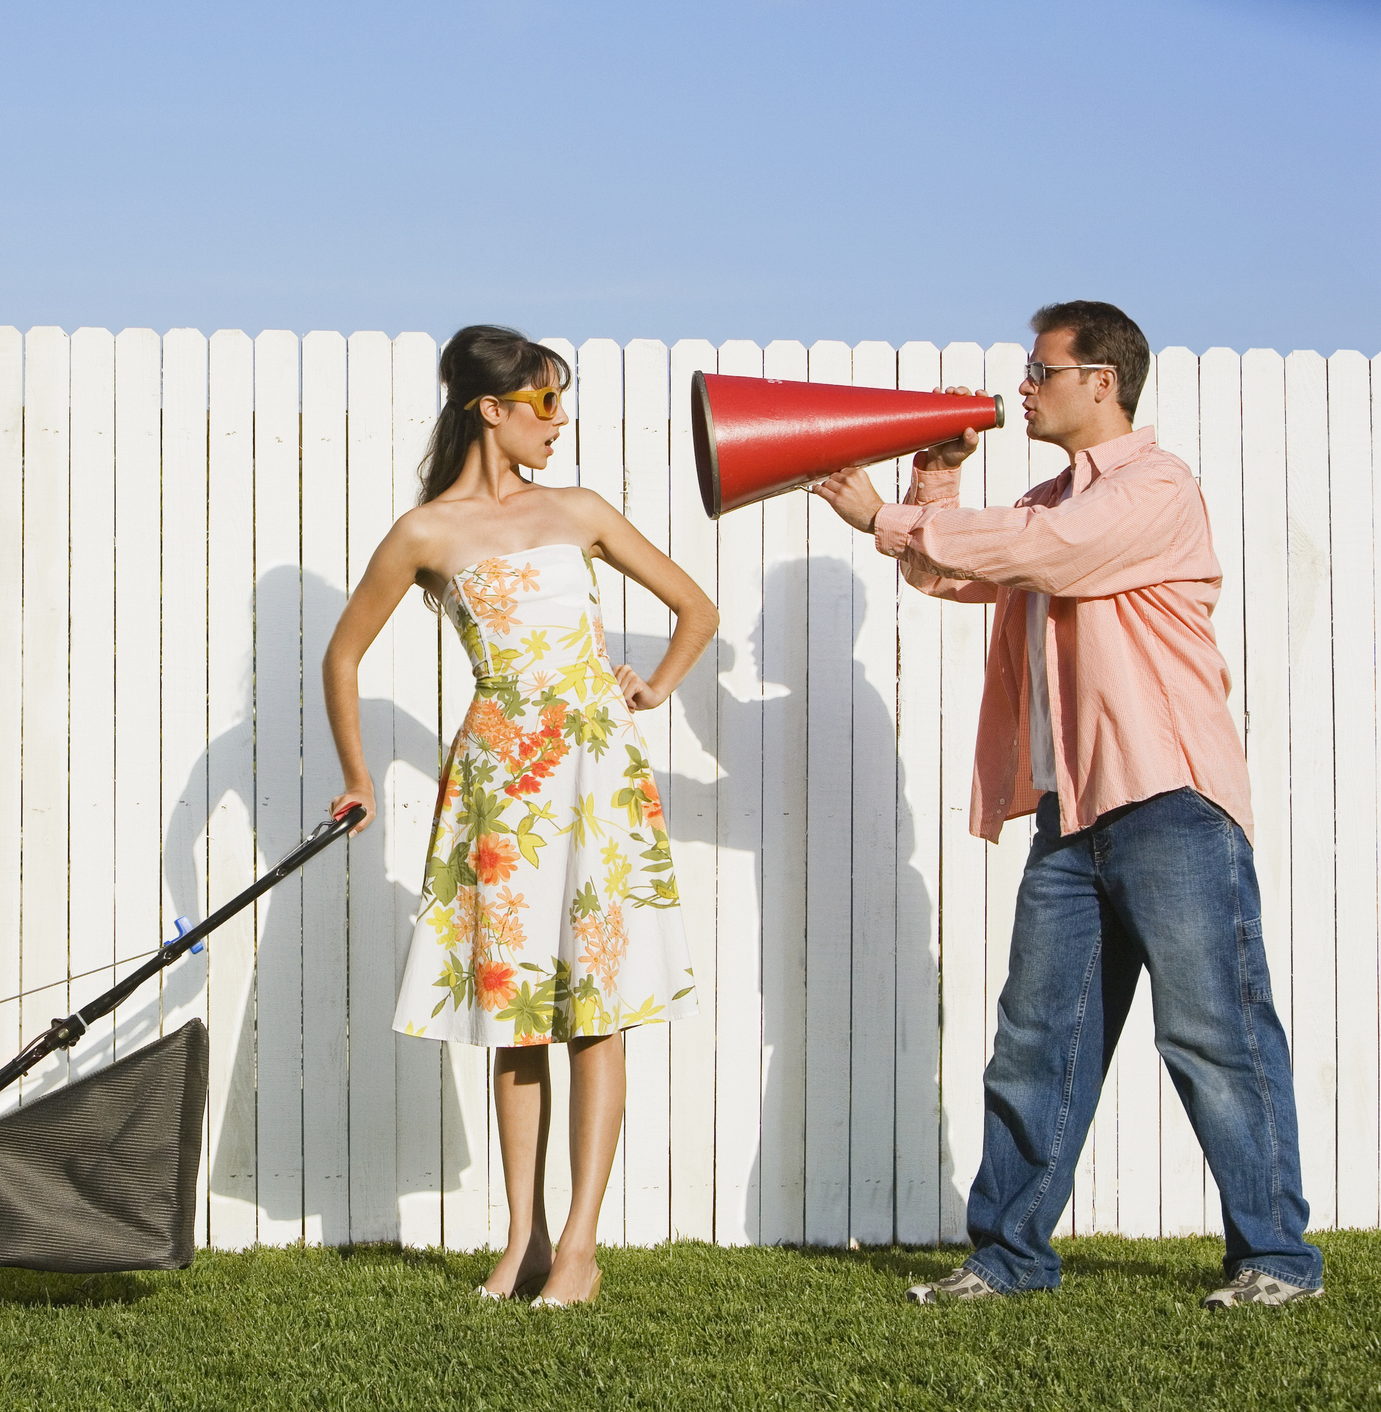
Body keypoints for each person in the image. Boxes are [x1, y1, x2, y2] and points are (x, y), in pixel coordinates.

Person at [814, 300, 1324, 1309]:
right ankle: (1007, 1258)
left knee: (1216, 1034)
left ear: (1103, 380)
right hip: (1073, 814)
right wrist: (937, 476)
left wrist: (889, 513)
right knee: (1038, 1040)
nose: (1023, 386)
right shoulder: (1049, 501)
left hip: (1171, 798)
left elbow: (1042, 552)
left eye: (1041, 370)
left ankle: (1278, 1259)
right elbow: (954, 570)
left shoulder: (1153, 486)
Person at [322, 325, 718, 1306]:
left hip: (594, 773)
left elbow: (694, 607)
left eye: (559, 401)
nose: (559, 420)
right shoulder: (424, 535)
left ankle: (579, 1245)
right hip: (499, 776)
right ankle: (525, 1240)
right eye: (544, 402)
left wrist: (654, 687)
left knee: (599, 1006)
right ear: (488, 409)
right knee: (515, 1016)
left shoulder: (579, 510)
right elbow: (342, 658)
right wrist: (361, 775)